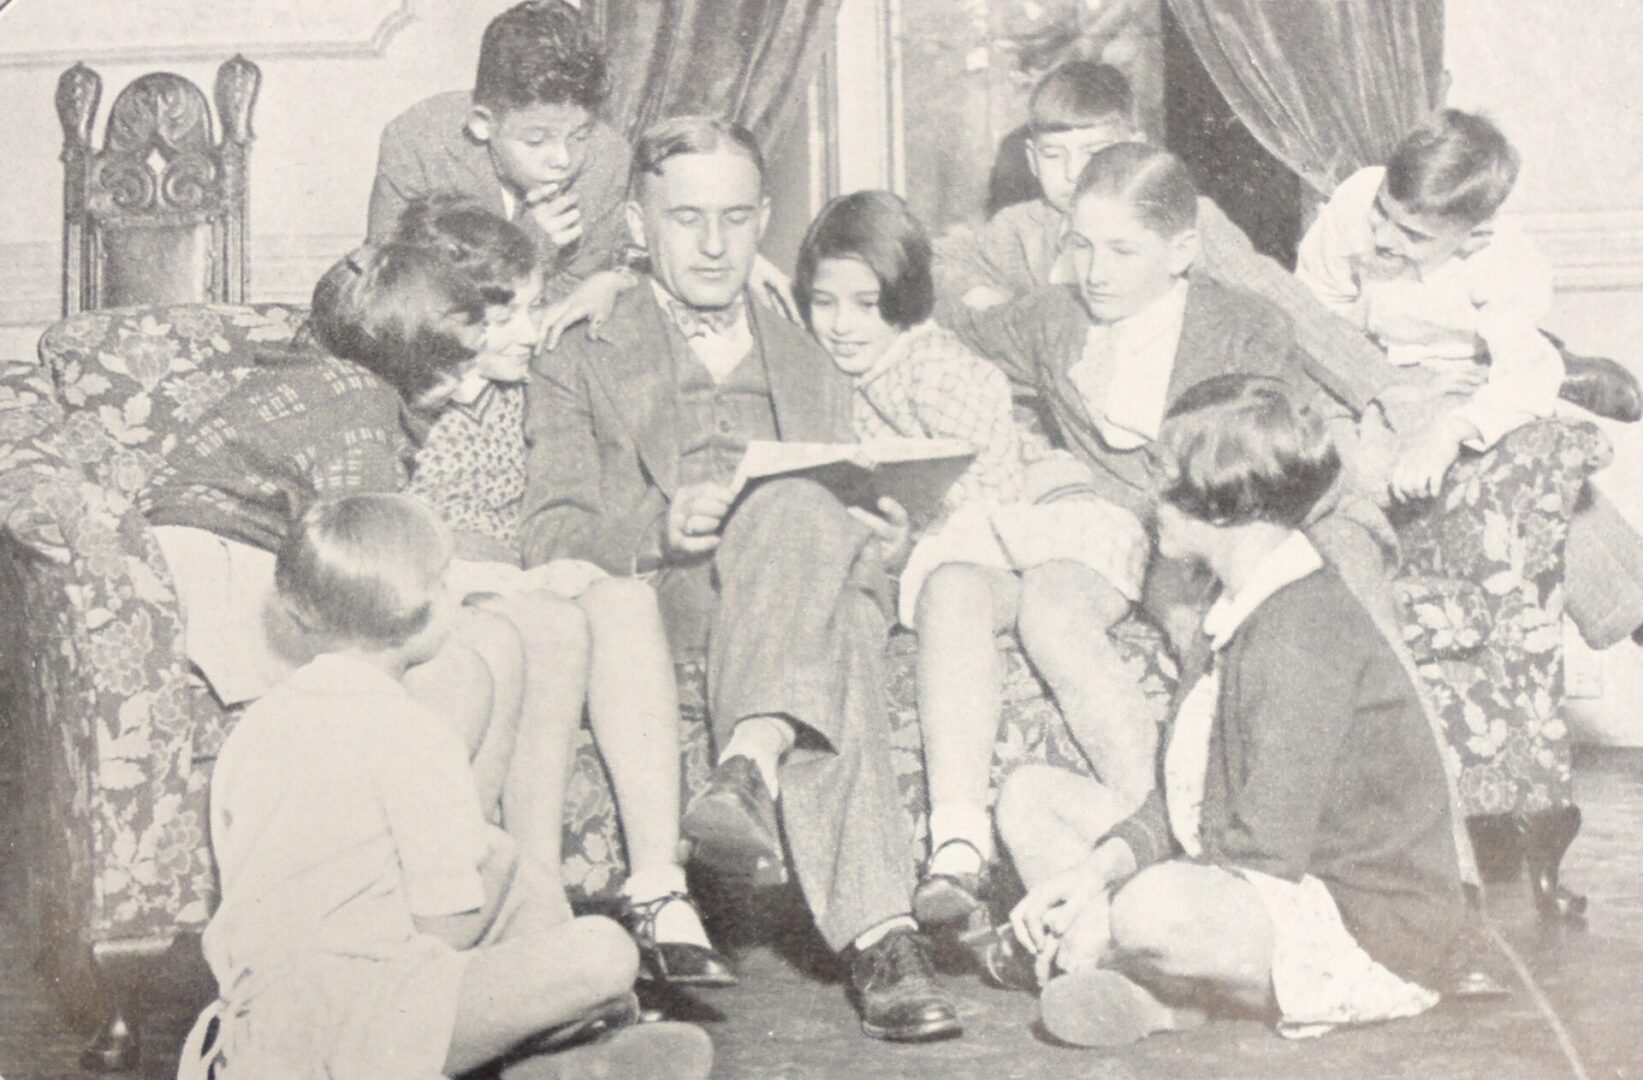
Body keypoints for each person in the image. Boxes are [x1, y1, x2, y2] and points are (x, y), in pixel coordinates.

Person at [521, 115, 962, 1042]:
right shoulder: (579, 344)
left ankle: (747, 764)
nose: (714, 245)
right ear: (637, 225)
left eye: (734, 217)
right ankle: (880, 939)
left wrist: (883, 549)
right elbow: (548, 532)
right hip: (673, 608)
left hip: (801, 595)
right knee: (817, 573)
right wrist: (656, 528)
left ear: (764, 218)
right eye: (686, 219)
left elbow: (861, 508)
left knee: (811, 533)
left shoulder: (812, 339)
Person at [993, 376, 1465, 1048]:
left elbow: (1263, 850)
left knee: (1149, 910)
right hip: (1256, 876)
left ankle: (1144, 978)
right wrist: (1090, 872)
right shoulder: (1232, 606)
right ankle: (1167, 995)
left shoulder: (1300, 630)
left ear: (1224, 502)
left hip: (1364, 926)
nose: (1147, 499)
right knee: (1028, 796)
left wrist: (1104, 911)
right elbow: (1189, 797)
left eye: (1162, 480)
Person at [179, 493, 713, 1080]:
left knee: (503, 874)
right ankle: (549, 1050)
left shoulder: (257, 725)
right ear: (428, 607)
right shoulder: (414, 735)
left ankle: (563, 1061)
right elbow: (444, 927)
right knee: (606, 951)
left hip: (258, 1030)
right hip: (366, 1032)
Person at [394, 194, 734, 986]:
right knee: (548, 618)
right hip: (452, 595)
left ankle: (657, 885)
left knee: (622, 598)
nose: (527, 328)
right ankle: (536, 898)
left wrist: (608, 278)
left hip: (523, 573)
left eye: (533, 305)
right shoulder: (412, 396)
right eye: (501, 315)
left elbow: (642, 281)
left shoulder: (531, 379)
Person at [794, 189, 1156, 929]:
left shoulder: (940, 367)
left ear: (904, 297)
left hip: (1054, 526)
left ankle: (1149, 816)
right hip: (975, 554)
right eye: (824, 303)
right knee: (949, 589)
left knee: (1051, 617)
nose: (841, 325)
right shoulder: (822, 376)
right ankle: (957, 844)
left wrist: (911, 541)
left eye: (866, 304)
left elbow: (993, 504)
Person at [1296, 108, 1643, 652]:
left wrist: (1451, 429)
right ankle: (1563, 365)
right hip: (1375, 362)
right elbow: (1315, 309)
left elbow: (1515, 376)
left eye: (1412, 234)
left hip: (1469, 368)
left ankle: (1634, 611)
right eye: (1383, 214)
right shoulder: (1355, 202)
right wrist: (1374, 386)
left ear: (1474, 234)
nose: (1384, 238)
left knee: (1531, 469)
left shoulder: (1505, 261)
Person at [932, 60, 1410, 418]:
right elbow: (939, 261)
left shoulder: (1180, 216)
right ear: (1033, 160)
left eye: (1094, 151)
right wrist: (978, 295)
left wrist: (1381, 386)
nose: (1075, 171)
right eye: (1055, 155)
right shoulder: (1021, 228)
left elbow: (1280, 300)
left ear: (1137, 144)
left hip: (1184, 412)